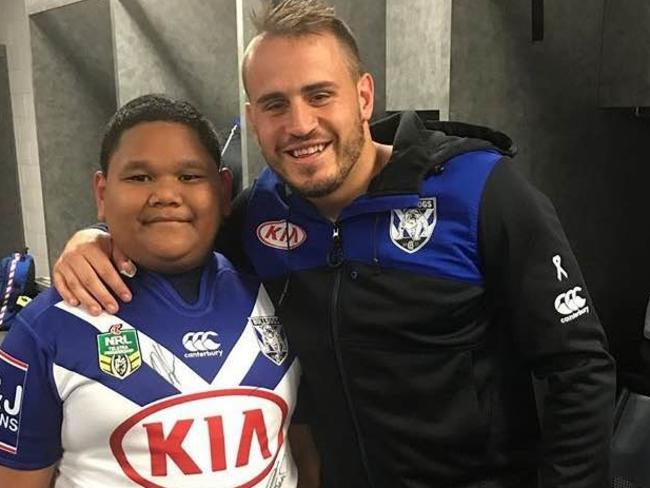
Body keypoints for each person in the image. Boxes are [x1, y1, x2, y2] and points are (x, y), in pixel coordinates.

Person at [52, 1, 616, 487]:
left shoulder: (480, 191)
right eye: (274, 104)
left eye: (319, 94)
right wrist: (96, 238)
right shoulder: (258, 215)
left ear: (363, 96)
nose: (299, 124)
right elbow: (174, 244)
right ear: (253, 118)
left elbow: (579, 369)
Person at [0, 94, 318, 487]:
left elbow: (303, 453)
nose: (166, 194)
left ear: (222, 191)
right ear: (102, 193)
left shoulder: (275, 296)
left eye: (189, 176)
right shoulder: (47, 330)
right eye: (139, 177)